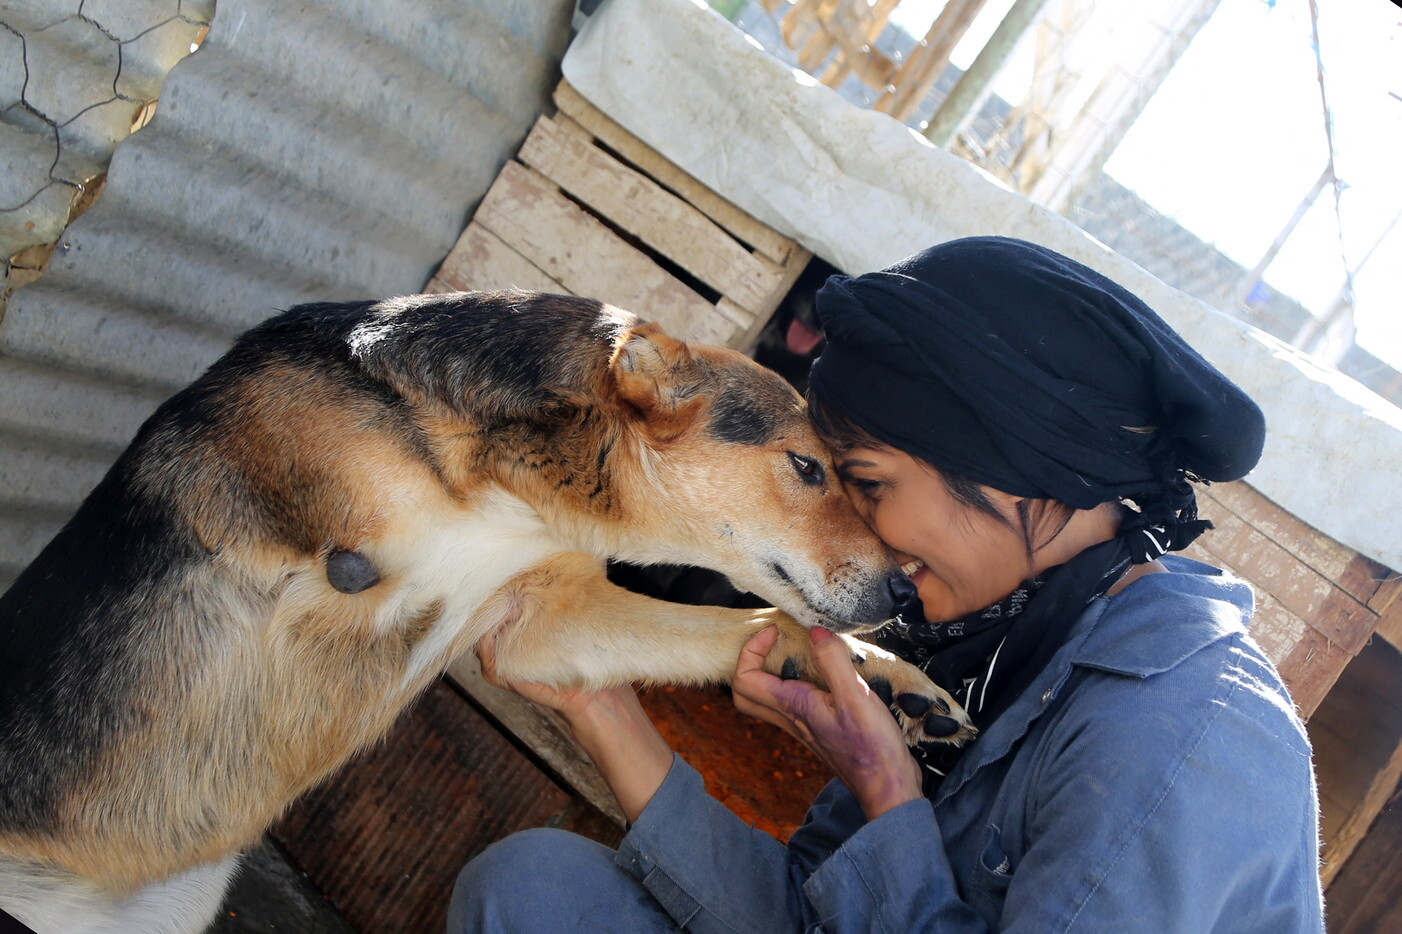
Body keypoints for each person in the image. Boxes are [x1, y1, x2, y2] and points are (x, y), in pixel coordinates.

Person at [448, 237, 1325, 933]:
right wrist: (601, 705)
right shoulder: (993, 646)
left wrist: (889, 796)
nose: (859, 537)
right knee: (537, 887)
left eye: (868, 486)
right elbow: (805, 913)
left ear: (1020, 475)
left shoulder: (1184, 738)